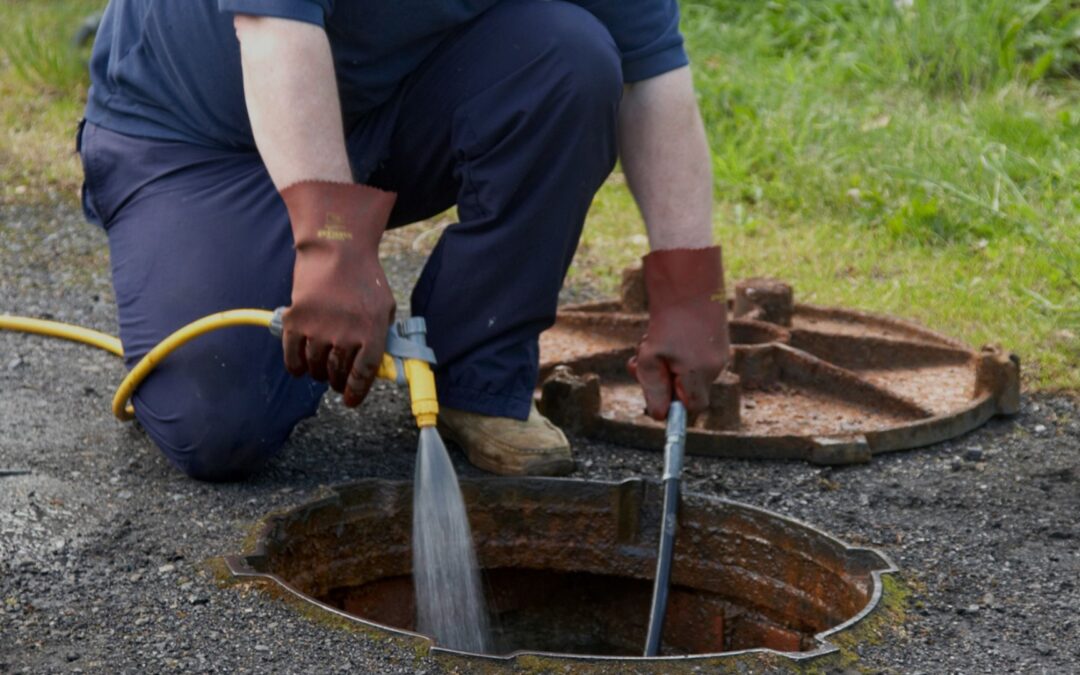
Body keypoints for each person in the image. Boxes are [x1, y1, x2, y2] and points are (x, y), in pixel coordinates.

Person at [77, 0, 730, 481]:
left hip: (385, 104)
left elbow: (652, 79)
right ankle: (280, 284)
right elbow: (274, 28)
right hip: (195, 139)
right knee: (219, 425)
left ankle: (478, 378)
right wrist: (332, 244)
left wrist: (688, 291)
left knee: (572, 59)